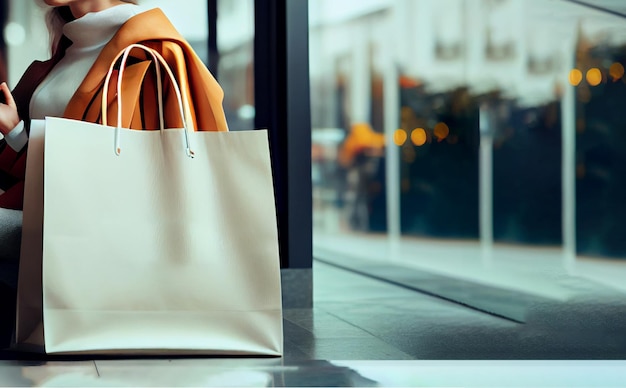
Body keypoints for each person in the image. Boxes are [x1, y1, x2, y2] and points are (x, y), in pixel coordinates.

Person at [0, 0, 229, 347]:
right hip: (49, 215)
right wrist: (14, 131)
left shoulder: (149, 53)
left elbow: (115, 180)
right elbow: (59, 166)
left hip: (96, 237)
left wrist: (17, 135)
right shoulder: (68, 49)